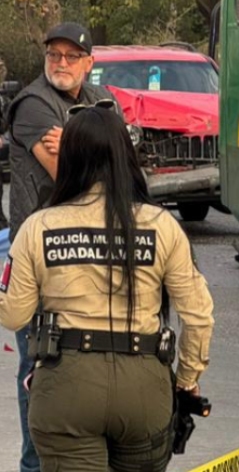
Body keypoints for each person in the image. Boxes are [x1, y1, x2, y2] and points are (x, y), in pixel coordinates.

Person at [0, 106, 214, 471]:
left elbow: (14, 314)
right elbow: (198, 318)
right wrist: (187, 379)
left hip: (65, 386)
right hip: (144, 389)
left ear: (69, 158)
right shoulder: (162, 226)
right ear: (125, 157)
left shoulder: (38, 227)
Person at [5, 22, 116, 472]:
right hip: (37, 256)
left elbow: (128, 166)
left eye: (72, 57)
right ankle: (35, 465)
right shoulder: (33, 104)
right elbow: (73, 180)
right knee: (37, 359)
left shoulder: (98, 101)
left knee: (87, 358)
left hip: (91, 252)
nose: (62, 64)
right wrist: (95, 153)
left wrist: (70, 142)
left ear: (89, 63)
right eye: (55, 56)